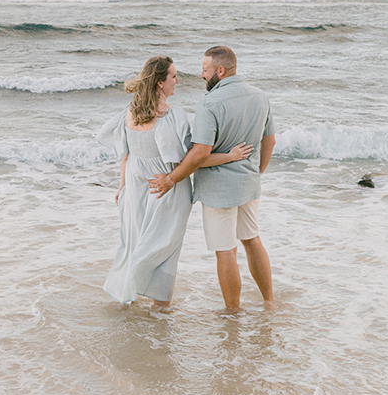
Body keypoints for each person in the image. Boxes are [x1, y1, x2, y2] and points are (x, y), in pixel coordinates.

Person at [97, 55, 251, 309]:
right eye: (173, 76)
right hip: (167, 191)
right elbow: (193, 160)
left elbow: (125, 156)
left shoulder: (130, 112)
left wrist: (122, 187)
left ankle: (128, 297)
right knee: (165, 250)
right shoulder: (173, 116)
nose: (178, 81)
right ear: (160, 82)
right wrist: (230, 156)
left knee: (134, 244)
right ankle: (160, 310)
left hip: (135, 189)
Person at [149, 46, 277, 312]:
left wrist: (171, 179)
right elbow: (269, 140)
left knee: (226, 251)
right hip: (249, 184)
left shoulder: (210, 103)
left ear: (220, 70)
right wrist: (257, 172)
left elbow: (199, 153)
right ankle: (269, 302)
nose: (201, 76)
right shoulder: (260, 96)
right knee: (252, 240)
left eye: (205, 71)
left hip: (219, 190)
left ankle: (233, 313)